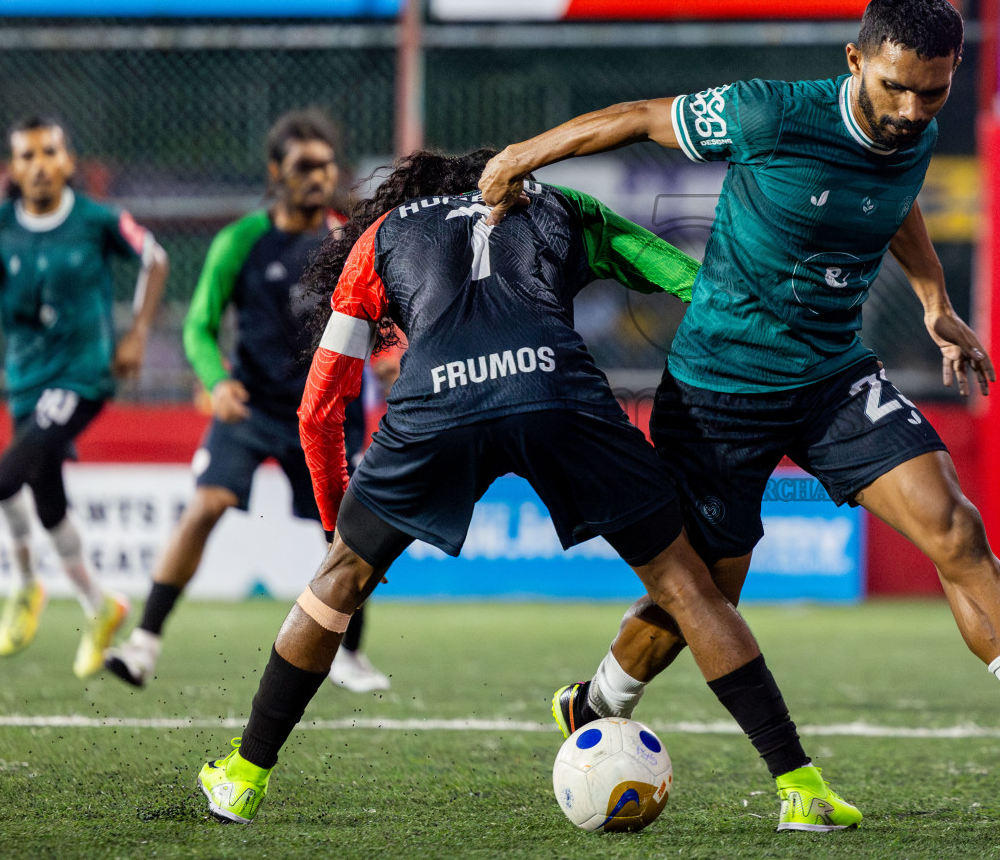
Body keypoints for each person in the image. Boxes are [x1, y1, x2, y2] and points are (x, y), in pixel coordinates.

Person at [480, 0, 1000, 817]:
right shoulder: (770, 114)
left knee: (955, 527)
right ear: (856, 61)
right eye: (895, 88)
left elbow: (895, 199)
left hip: (835, 376)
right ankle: (598, 706)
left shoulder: (918, 127)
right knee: (708, 593)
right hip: (719, 388)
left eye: (933, 91)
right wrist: (521, 156)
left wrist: (935, 300)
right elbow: (636, 115)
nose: (911, 110)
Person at [194, 149, 860, 833]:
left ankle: (243, 778)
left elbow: (320, 403)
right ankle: (799, 787)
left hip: (436, 403)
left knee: (337, 583)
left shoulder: (382, 233)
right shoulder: (558, 203)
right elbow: (689, 279)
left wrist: (341, 527)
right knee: (685, 583)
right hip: (555, 390)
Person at [105, 110, 389, 693]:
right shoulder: (241, 240)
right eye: (304, 166)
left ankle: (350, 655)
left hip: (327, 413)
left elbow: (384, 315)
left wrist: (388, 354)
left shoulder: (349, 241)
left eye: (326, 165)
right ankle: (144, 642)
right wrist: (216, 381)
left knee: (346, 537)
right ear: (275, 172)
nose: (318, 175)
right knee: (205, 506)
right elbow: (199, 325)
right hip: (251, 406)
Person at [0, 116, 168, 678]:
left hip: (83, 376)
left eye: (49, 152)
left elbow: (155, 257)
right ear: (13, 169)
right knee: (48, 503)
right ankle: (102, 606)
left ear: (69, 161)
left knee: (4, 479)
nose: (40, 164)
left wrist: (138, 333)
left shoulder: (96, 220)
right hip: (25, 381)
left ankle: (27, 585)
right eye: (26, 156)